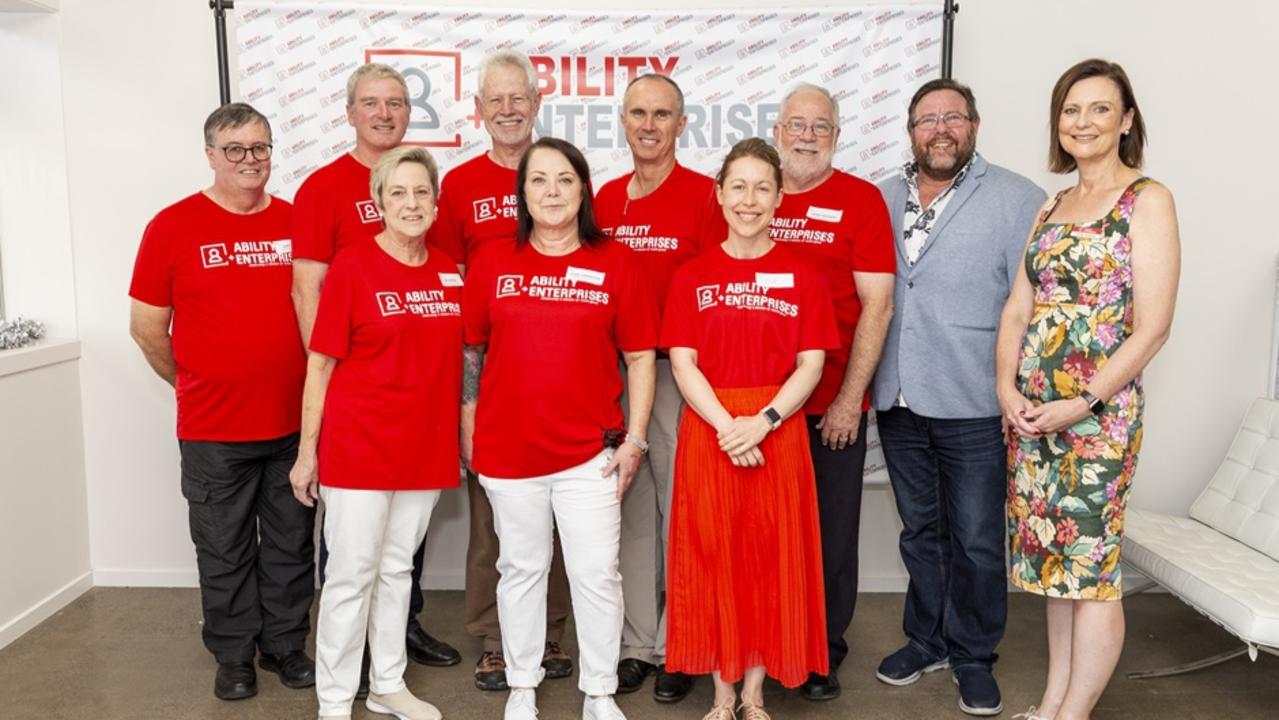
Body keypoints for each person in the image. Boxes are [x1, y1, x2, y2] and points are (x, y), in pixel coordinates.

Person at [996, 59, 1179, 720]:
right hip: (1034, 419)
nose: (1083, 122)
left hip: (1097, 420)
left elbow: (1152, 327)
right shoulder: (1051, 204)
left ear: (1125, 119)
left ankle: (1072, 717)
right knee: (1055, 569)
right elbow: (1017, 310)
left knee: (1092, 575)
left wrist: (1086, 402)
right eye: (1072, 110)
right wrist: (1004, 391)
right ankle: (1049, 706)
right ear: (1057, 122)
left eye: (1100, 109)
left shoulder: (1145, 199)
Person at [461, 137, 658, 720]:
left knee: (597, 573)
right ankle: (523, 683)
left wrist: (636, 440)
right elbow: (472, 351)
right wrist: (468, 432)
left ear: (582, 191)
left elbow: (642, 357)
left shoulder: (616, 261)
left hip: (589, 454)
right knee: (521, 569)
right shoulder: (494, 260)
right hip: (507, 451)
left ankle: (599, 692)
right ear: (522, 193)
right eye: (539, 180)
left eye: (564, 180)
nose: (552, 191)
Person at [128, 102, 316, 701]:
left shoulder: (297, 221)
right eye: (235, 149)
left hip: (293, 427)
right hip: (213, 432)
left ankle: (285, 645)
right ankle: (233, 654)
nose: (249, 160)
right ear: (210, 154)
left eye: (259, 147)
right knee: (223, 549)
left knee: (291, 545)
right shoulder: (172, 225)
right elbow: (147, 328)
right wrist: (191, 384)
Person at [872, 78, 1046, 716]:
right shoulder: (881, 198)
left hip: (975, 399)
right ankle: (927, 639)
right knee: (921, 531)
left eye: (952, 117)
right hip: (898, 397)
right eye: (926, 119)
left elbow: (1031, 311)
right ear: (910, 130)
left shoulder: (1020, 200)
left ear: (975, 125)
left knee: (975, 538)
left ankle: (973, 656)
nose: (939, 129)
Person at [291, 63, 460, 679]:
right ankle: (337, 697)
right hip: (360, 440)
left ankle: (386, 682)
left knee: (395, 568)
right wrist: (311, 447)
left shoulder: (448, 270)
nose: (411, 203)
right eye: (398, 194)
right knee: (351, 571)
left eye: (421, 194)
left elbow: (460, 356)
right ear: (378, 202)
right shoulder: (353, 266)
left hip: (421, 446)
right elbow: (318, 349)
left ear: (435, 203)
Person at [663, 138, 837, 720]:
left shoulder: (803, 275)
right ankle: (720, 692)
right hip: (711, 433)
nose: (749, 199)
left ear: (779, 198)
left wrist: (761, 423)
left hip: (776, 433)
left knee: (769, 561)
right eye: (738, 186)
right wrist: (726, 427)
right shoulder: (691, 276)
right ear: (719, 194)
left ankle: (756, 693)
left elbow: (811, 364)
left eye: (763, 187)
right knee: (714, 559)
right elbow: (683, 362)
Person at [428, 49, 576, 691]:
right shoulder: (457, 186)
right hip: (489, 374)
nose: (509, 109)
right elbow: (447, 290)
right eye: (497, 99)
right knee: (494, 520)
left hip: (566, 373)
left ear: (537, 104)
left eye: (520, 98)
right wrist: (466, 396)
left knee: (566, 516)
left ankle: (548, 634)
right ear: (480, 109)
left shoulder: (563, 173)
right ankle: (494, 637)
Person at [593, 72, 726, 703]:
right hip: (614, 372)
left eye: (662, 114)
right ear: (623, 120)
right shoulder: (606, 198)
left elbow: (719, 288)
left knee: (681, 509)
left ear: (682, 124)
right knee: (629, 508)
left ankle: (681, 644)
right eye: (638, 113)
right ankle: (637, 643)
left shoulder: (706, 196)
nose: (649, 125)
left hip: (677, 372)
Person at [767, 83, 896, 702]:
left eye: (820, 126)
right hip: (755, 409)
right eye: (797, 124)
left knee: (830, 534)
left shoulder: (859, 200)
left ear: (837, 136)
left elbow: (878, 303)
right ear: (777, 132)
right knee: (761, 534)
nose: (808, 135)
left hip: (828, 408)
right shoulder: (751, 193)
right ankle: (763, 643)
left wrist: (850, 399)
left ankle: (821, 652)